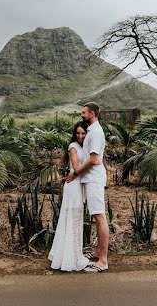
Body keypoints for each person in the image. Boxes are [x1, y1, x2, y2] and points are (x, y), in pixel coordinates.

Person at [67, 102, 109, 273]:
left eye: (83, 112)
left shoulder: (96, 132)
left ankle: (103, 261)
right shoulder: (91, 130)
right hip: (90, 179)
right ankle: (98, 251)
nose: (82, 115)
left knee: (100, 217)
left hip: (94, 180)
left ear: (92, 113)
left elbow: (93, 159)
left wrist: (76, 173)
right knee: (96, 216)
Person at [47, 121, 90, 271]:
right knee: (72, 219)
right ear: (74, 133)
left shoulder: (85, 146)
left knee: (76, 219)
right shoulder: (73, 147)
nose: (80, 136)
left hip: (79, 185)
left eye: (83, 133)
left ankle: (73, 254)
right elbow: (77, 168)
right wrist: (93, 166)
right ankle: (70, 257)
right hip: (73, 187)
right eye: (78, 133)